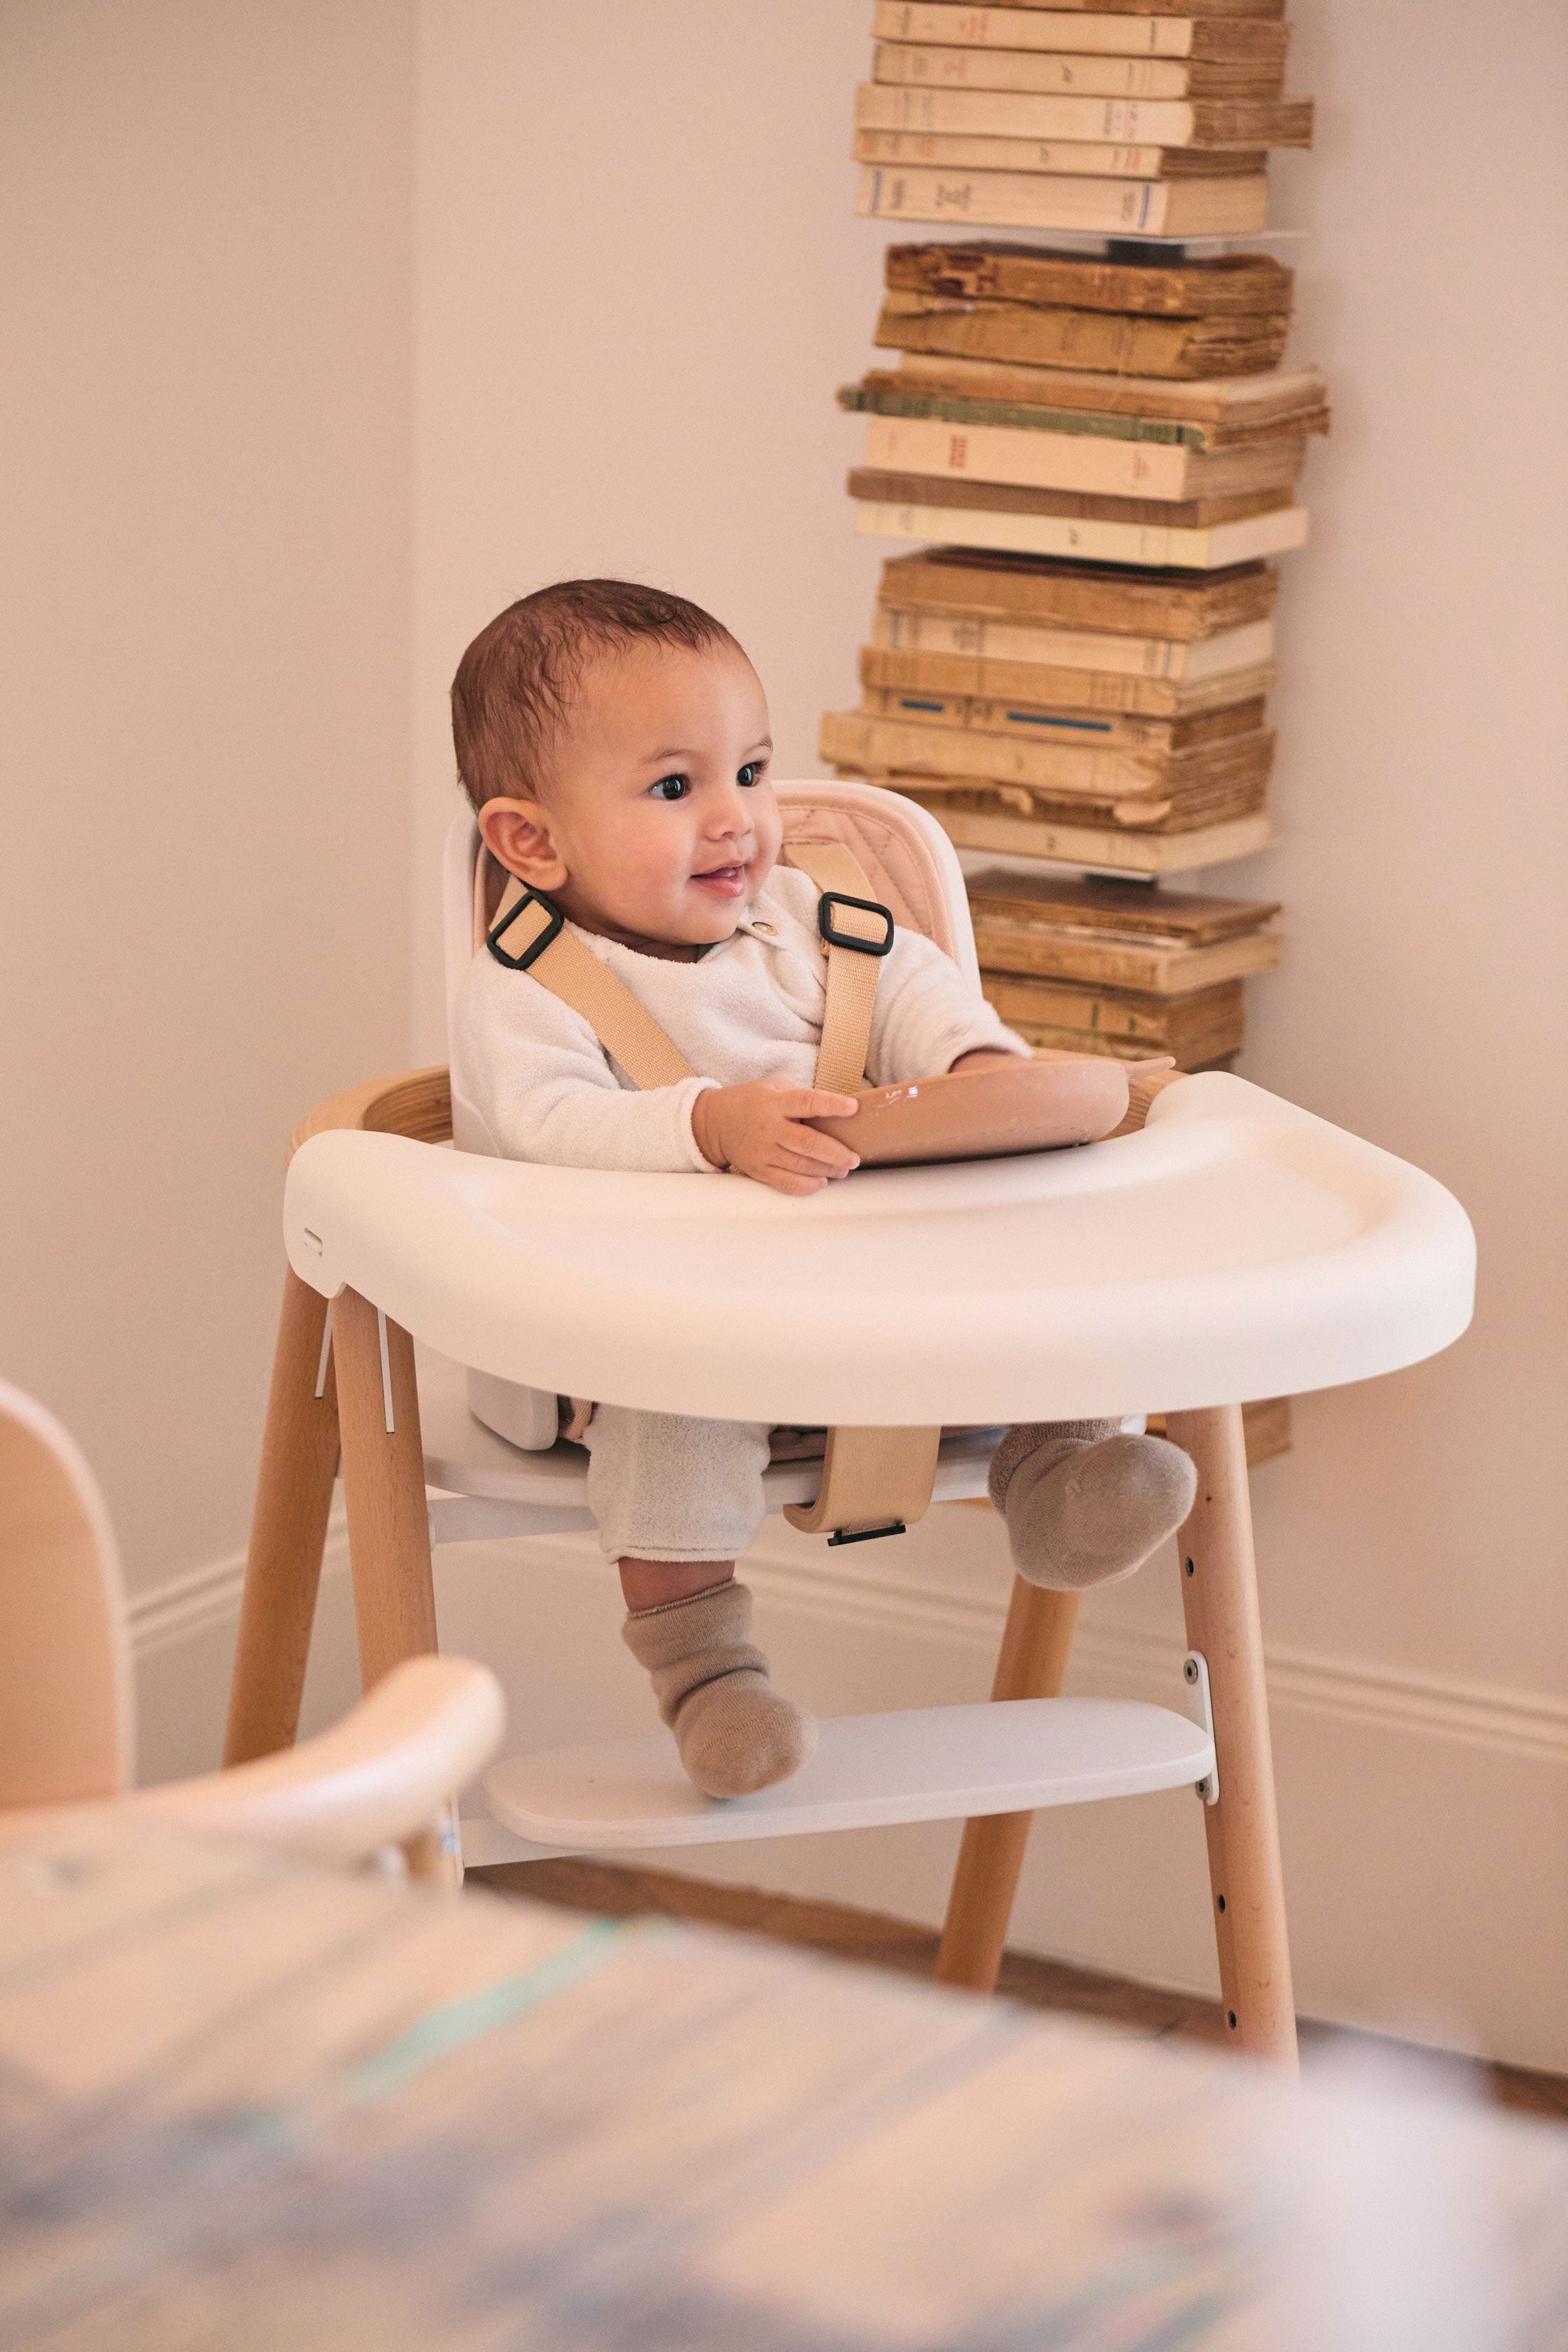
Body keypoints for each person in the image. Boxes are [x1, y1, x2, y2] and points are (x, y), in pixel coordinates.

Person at [449, 579, 1197, 1800]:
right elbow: (541, 1129)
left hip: (897, 1308)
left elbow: (924, 1005)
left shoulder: (820, 924)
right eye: (676, 788)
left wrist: (974, 1077)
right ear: (532, 842)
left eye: (752, 771)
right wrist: (711, 1122)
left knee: (1049, 1282)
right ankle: (708, 1680)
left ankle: (1064, 1471)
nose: (739, 819)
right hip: (685, 1331)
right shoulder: (530, 983)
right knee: (661, 1423)